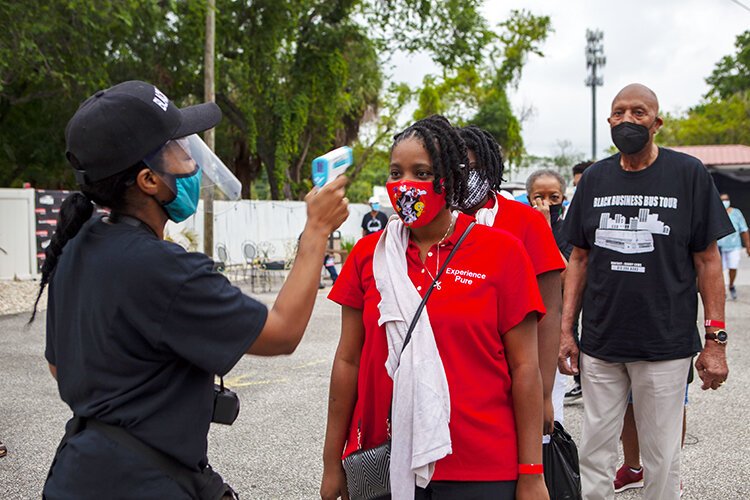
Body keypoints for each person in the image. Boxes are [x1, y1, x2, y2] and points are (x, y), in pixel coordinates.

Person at [31, 80, 349, 499]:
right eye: (178, 148)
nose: (191, 159)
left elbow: (60, 366)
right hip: (142, 485)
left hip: (78, 471)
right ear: (149, 180)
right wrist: (317, 230)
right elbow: (283, 331)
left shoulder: (77, 244)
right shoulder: (163, 268)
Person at [321, 115, 549, 500]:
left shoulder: (502, 252)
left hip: (481, 465)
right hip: (385, 461)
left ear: (451, 178)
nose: (405, 185)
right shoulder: (369, 256)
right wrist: (332, 462)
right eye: (396, 173)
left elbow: (525, 368)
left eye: (422, 172)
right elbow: (347, 362)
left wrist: (531, 473)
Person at [560, 83, 733, 500]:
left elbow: (708, 261)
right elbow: (579, 259)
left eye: (638, 113)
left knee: (662, 455)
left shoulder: (688, 173)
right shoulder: (596, 178)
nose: (627, 120)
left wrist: (716, 340)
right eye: (619, 113)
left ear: (657, 123)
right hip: (602, 342)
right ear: (609, 122)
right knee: (596, 449)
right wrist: (567, 331)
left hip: (665, 343)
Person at [457, 125, 566, 435]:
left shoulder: (526, 221)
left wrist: (544, 393)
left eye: (472, 168)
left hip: (518, 374)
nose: (464, 176)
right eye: (456, 168)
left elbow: (549, 312)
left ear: (492, 169)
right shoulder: (434, 225)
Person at [524, 168, 573, 424]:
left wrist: (544, 228)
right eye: (538, 197)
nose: (546, 204)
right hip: (524, 324)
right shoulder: (519, 228)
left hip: (554, 325)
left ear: (563, 199)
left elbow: (564, 275)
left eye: (553, 197)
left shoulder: (568, 231)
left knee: (551, 399)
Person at [717, 193, 749, 300]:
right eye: (722, 200)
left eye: (726, 199)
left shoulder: (736, 213)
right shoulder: (716, 213)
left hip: (734, 246)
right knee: (719, 270)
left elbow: (744, 229)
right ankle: (722, 289)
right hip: (719, 247)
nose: (724, 202)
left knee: (733, 267)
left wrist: (748, 245)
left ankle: (731, 285)